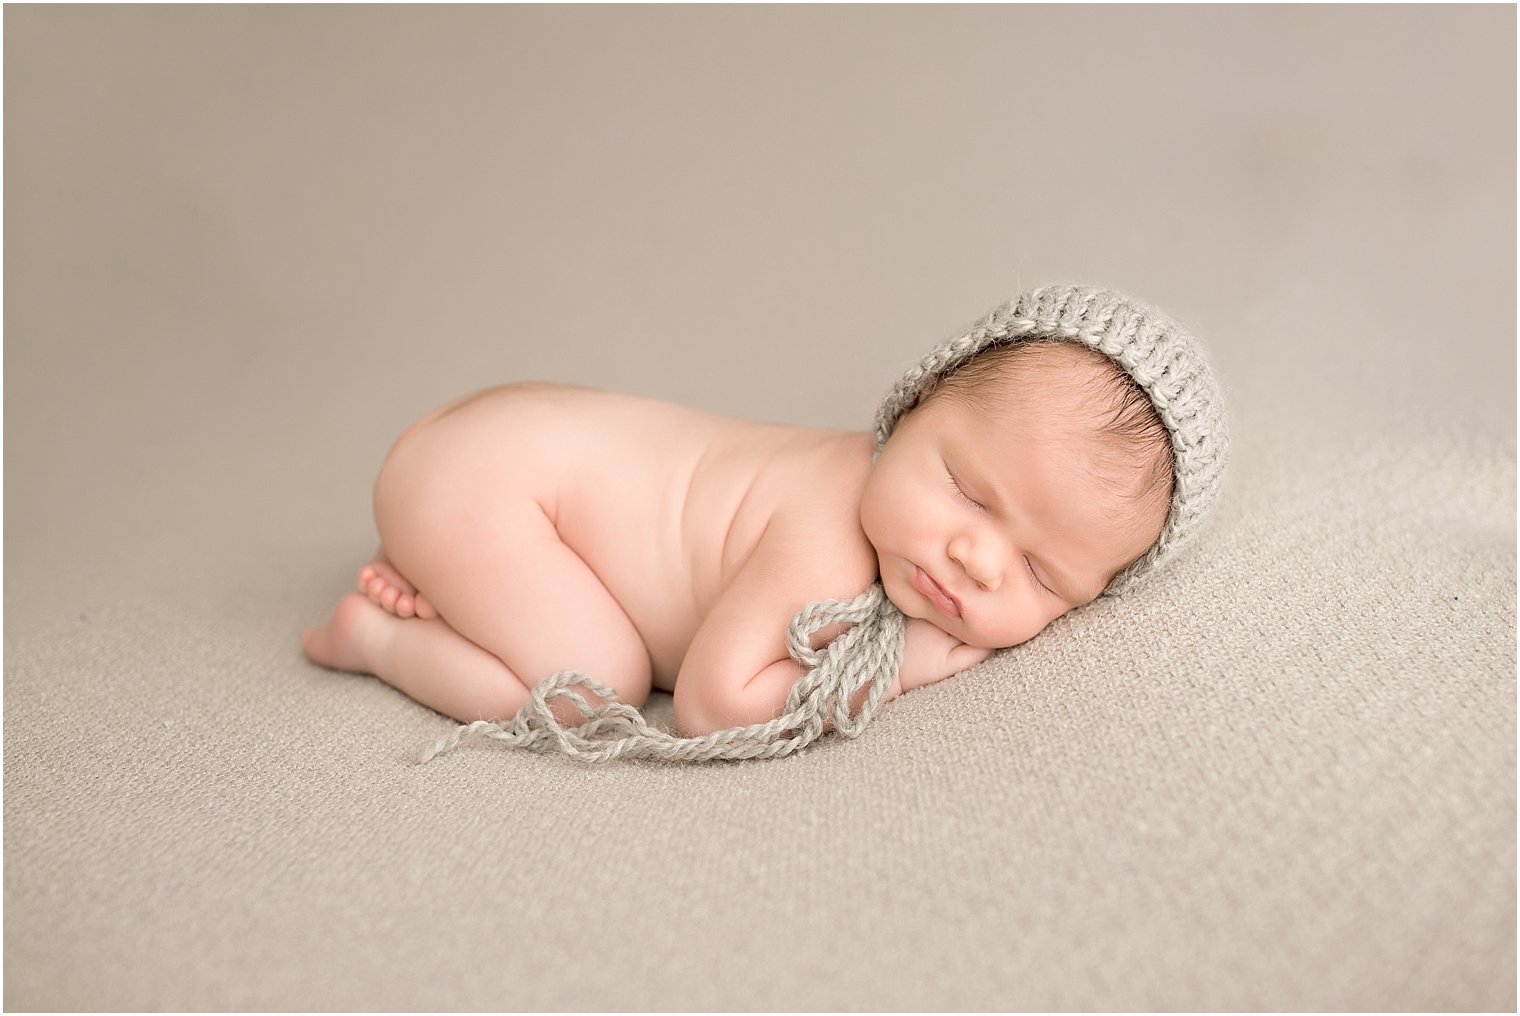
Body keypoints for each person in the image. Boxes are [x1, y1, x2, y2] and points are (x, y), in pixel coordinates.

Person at [302, 283, 1228, 751]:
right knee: (596, 691)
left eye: (1043, 575)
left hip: (502, 456)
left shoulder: (895, 516)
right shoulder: (827, 529)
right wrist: (898, 666)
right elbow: (709, 705)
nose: (979, 557)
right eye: (969, 492)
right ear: (906, 411)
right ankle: (377, 638)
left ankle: (443, 563)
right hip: (492, 476)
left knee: (577, 622)